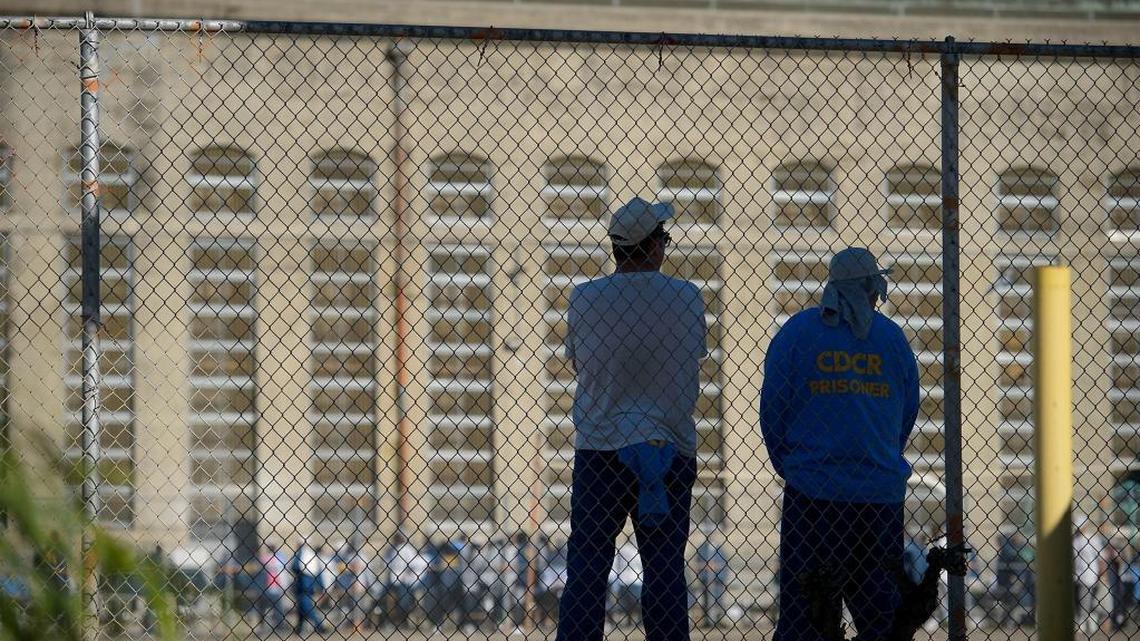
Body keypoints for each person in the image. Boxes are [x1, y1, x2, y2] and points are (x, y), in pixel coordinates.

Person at [556, 196, 705, 641]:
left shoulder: (584, 298)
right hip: (668, 448)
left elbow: (578, 362)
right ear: (654, 247)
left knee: (587, 570)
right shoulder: (687, 297)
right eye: (664, 237)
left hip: (601, 448)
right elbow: (693, 355)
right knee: (664, 573)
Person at [759, 247, 920, 641]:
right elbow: (907, 410)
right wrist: (876, 455)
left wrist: (797, 466)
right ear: (871, 289)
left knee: (805, 613)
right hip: (877, 499)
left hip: (814, 496)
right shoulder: (891, 339)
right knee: (880, 616)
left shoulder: (798, 333)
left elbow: (773, 411)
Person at [1074, 515, 1107, 634]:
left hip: (1089, 575)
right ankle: (1082, 622)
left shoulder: (1093, 540)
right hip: (1075, 576)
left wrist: (1102, 574)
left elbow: (1101, 558)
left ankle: (1083, 624)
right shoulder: (1074, 540)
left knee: (1085, 600)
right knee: (1077, 600)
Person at [695, 528, 730, 629]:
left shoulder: (720, 549)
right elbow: (697, 563)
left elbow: (724, 564)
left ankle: (718, 619)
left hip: (718, 579)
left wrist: (716, 567)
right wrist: (706, 567)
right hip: (706, 579)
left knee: (718, 599)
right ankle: (708, 620)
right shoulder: (702, 549)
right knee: (706, 600)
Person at [292, 541, 327, 634]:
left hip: (303, 585)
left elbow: (294, 566)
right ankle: (299, 628)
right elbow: (318, 572)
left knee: (306, 606)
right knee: (302, 607)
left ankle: (319, 625)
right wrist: (320, 585)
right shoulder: (311, 554)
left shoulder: (301, 554)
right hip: (309, 584)